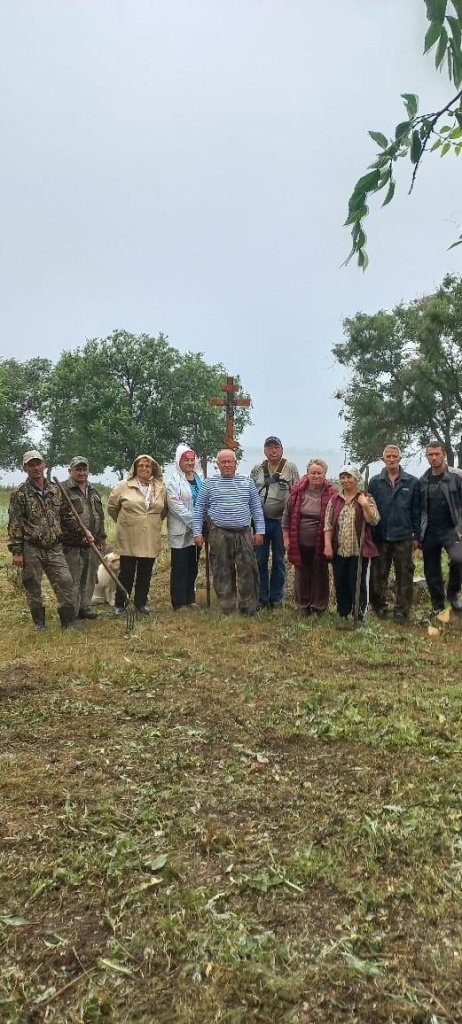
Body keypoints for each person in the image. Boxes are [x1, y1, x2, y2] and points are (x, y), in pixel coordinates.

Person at [7, 451, 84, 631]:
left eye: (38, 464)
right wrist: (17, 552)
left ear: (44, 465)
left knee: (65, 581)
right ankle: (39, 623)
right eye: (31, 465)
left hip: (55, 546)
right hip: (31, 547)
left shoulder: (55, 490)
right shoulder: (20, 493)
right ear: (25, 468)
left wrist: (83, 531)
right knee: (33, 584)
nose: (36, 468)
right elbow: (15, 523)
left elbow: (66, 516)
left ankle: (69, 621)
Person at [193, 449, 265, 615]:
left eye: (229, 461)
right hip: (219, 533)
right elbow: (199, 510)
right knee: (221, 570)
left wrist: (259, 530)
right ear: (217, 465)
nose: (226, 464)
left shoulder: (247, 482)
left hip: (243, 532)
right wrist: (197, 532)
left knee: (248, 570)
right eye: (222, 462)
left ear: (235, 463)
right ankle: (227, 607)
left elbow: (256, 508)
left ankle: (248, 607)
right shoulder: (209, 484)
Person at [108, 454, 167, 616]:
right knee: (126, 572)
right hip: (129, 536)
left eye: (148, 466)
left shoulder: (160, 487)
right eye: (141, 466)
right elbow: (112, 508)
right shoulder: (124, 485)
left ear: (153, 469)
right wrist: (128, 522)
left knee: (145, 572)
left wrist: (149, 522)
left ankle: (141, 604)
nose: (144, 469)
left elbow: (163, 511)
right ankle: (121, 604)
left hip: (150, 536)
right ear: (135, 468)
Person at [368, 445, 420, 624]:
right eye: (388, 456)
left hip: (403, 536)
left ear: (400, 458)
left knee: (404, 575)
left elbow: (416, 511)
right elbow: (370, 510)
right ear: (383, 459)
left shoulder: (412, 482)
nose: (391, 459)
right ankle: (379, 607)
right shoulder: (375, 482)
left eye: (394, 456)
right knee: (378, 574)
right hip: (380, 536)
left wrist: (416, 536)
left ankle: (401, 611)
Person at [324, 465, 380, 620]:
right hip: (340, 550)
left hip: (359, 551)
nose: (345, 480)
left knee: (358, 584)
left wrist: (365, 505)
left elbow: (374, 520)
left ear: (356, 479)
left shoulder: (366, 498)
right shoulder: (335, 500)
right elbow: (328, 525)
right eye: (343, 477)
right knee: (341, 583)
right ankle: (343, 612)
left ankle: (360, 614)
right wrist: (328, 545)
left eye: (349, 477)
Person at [282, 458, 336, 617]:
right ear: (307, 473)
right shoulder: (297, 491)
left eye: (319, 473)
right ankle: (303, 606)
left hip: (321, 542)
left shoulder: (332, 493)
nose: (316, 476)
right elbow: (286, 516)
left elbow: (335, 520)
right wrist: (286, 539)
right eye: (313, 472)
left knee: (320, 575)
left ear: (325, 474)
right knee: (301, 575)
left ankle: (318, 608)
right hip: (299, 541)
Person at [250, 436, 299, 609]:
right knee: (260, 559)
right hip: (260, 522)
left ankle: (276, 598)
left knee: (279, 560)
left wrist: (293, 522)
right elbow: (251, 493)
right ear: (264, 450)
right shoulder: (257, 469)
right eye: (269, 447)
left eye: (276, 447)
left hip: (281, 522)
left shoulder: (290, 468)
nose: (273, 451)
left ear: (282, 449)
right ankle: (262, 597)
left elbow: (297, 493)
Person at [419, 441, 462, 618]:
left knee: (458, 561)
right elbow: (419, 508)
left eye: (437, 454)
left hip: (452, 530)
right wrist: (418, 534)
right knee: (431, 570)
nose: (434, 458)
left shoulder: (456, 476)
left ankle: (453, 595)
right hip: (429, 531)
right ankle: (438, 605)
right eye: (431, 454)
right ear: (427, 457)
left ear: (444, 454)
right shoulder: (423, 480)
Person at [61, 457, 107, 620]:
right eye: (78, 470)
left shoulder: (94, 491)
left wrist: (101, 537)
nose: (82, 473)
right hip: (72, 544)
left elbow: (99, 516)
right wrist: (81, 533)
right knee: (72, 579)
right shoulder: (63, 490)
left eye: (84, 469)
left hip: (92, 544)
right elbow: (62, 518)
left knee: (89, 577)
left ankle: (84, 608)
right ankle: (71, 612)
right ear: (70, 471)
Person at [167, 444, 203, 610]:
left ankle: (190, 598)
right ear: (179, 461)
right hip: (181, 529)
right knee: (180, 565)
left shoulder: (198, 477)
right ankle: (179, 601)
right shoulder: (173, 480)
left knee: (192, 565)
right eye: (186, 460)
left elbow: (204, 500)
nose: (189, 463)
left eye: (191, 460)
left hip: (197, 531)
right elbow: (176, 506)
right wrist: (196, 522)